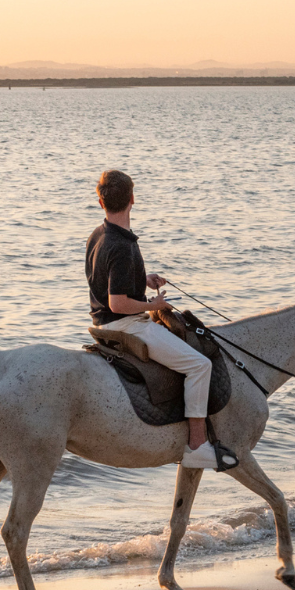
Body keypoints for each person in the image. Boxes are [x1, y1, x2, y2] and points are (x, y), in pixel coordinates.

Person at [85, 169, 237, 471]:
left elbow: (109, 282)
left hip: (103, 321)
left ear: (100, 202)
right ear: (132, 198)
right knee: (199, 365)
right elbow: (117, 303)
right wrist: (152, 303)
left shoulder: (99, 234)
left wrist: (143, 279)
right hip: (125, 324)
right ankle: (196, 446)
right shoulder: (123, 246)